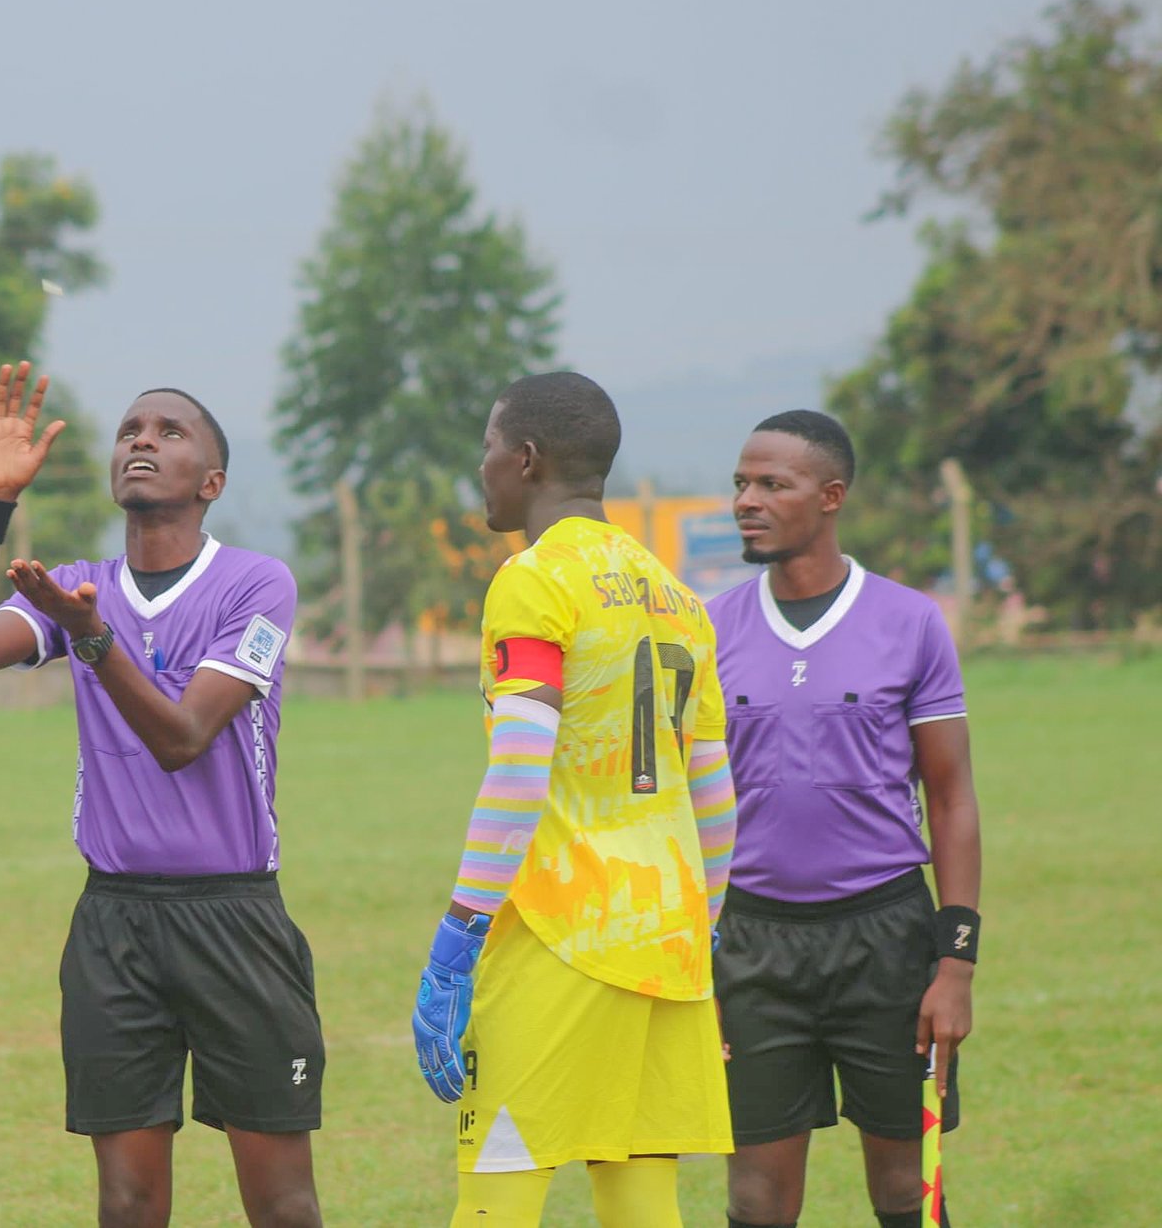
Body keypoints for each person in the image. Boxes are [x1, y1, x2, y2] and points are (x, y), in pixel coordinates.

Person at [0, 362, 324, 1228]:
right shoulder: (80, 583)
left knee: (283, 1201)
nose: (141, 438)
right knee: (128, 1199)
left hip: (235, 917)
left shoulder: (256, 585)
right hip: (113, 924)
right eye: (130, 429)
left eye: (168, 431)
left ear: (212, 481)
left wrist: (92, 638)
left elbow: (183, 738)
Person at [408, 371, 738, 1228]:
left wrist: (459, 934)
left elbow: (519, 772)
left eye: (487, 447)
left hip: (562, 934)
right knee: (642, 1200)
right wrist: (702, 932)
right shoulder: (681, 600)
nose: (481, 467)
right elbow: (714, 797)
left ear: (526, 458)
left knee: (498, 1198)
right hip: (667, 943)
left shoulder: (533, 580)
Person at [710, 410, 978, 1228]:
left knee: (906, 1193)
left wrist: (955, 965)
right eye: (740, 484)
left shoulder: (909, 621)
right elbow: (686, 809)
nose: (747, 501)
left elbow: (953, 795)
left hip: (885, 939)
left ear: (830, 496)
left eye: (770, 484)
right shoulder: (710, 626)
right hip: (752, 946)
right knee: (755, 1200)